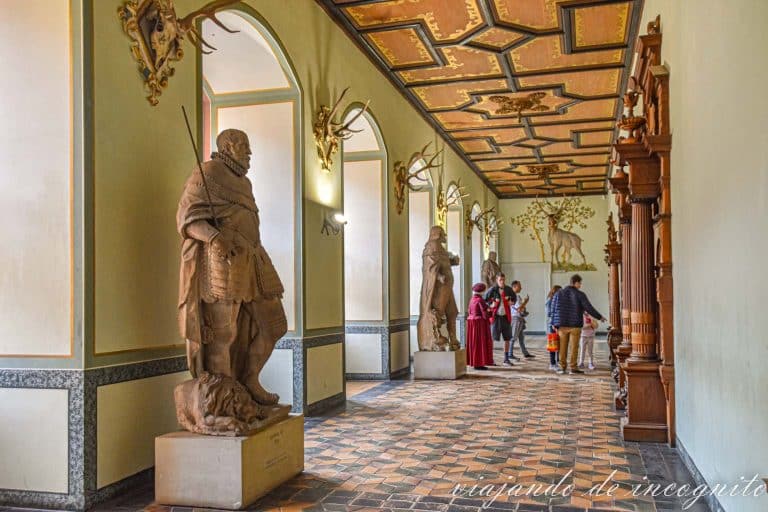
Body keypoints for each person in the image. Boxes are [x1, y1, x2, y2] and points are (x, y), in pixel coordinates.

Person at [551, 274, 606, 375]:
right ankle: (573, 368)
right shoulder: (580, 294)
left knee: (562, 347)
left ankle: (562, 368)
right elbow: (589, 307)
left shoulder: (558, 293)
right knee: (574, 347)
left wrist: (553, 323)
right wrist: (599, 317)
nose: (580, 285)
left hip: (562, 326)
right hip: (575, 325)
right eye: (579, 283)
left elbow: (553, 309)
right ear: (575, 283)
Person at [484, 273, 517, 366]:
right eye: (500, 280)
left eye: (503, 280)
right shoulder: (492, 289)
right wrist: (491, 305)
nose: (502, 282)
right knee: (492, 339)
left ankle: (506, 359)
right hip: (496, 317)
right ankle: (490, 359)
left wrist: (511, 302)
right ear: (497, 280)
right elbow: (484, 300)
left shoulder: (508, 289)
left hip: (506, 317)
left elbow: (514, 299)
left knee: (507, 338)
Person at [466, 283, 494, 369]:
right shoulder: (480, 300)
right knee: (480, 343)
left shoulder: (472, 299)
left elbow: (469, 311)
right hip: (479, 325)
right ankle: (479, 364)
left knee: (474, 343)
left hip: (472, 324)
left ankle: (475, 362)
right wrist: (491, 308)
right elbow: (485, 314)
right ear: (482, 291)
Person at [509, 280, 534, 360]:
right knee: (513, 337)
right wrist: (525, 302)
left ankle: (525, 353)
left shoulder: (516, 296)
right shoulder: (513, 296)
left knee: (521, 337)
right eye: (519, 286)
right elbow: (519, 309)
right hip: (516, 318)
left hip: (519, 318)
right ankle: (510, 354)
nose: (521, 288)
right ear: (514, 287)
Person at [545, 285, 562, 371]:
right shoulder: (550, 300)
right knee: (552, 345)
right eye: (560, 291)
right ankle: (552, 363)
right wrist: (553, 324)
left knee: (558, 344)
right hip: (552, 325)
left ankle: (557, 361)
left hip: (558, 325)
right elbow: (549, 314)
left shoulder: (558, 300)